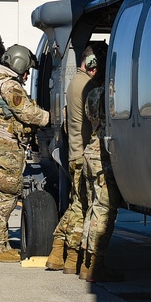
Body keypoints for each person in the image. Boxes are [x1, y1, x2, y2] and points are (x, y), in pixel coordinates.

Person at [0, 43, 50, 263]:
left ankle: (0, 242)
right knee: (7, 196)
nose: (26, 75)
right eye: (26, 70)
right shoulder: (9, 85)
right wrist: (52, 118)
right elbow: (27, 113)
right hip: (5, 146)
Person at [46, 41, 107, 274]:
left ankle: (57, 252)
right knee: (84, 208)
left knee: (75, 205)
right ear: (93, 64)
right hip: (84, 154)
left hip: (74, 153)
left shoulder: (74, 84)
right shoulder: (89, 87)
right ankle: (72, 257)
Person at [79, 85, 123, 282]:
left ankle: (85, 264)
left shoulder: (93, 93)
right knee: (104, 211)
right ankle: (96, 266)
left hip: (90, 151)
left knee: (92, 209)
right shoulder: (111, 92)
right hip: (102, 156)